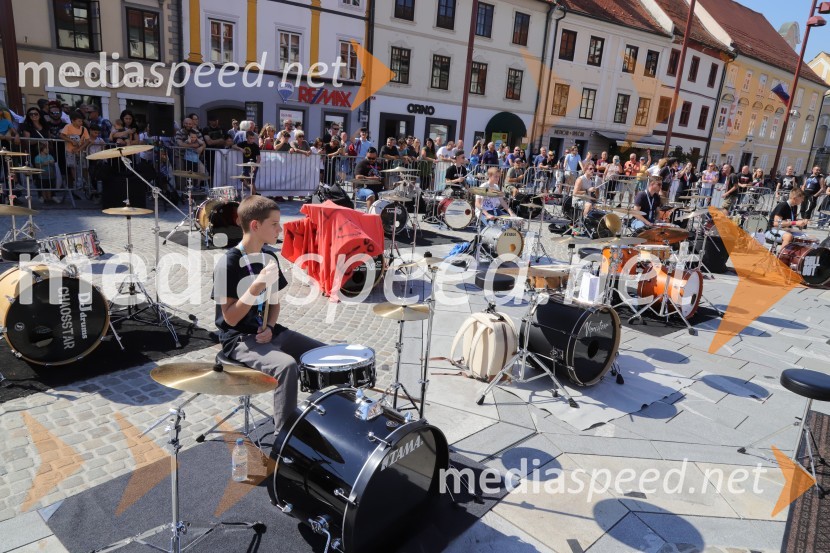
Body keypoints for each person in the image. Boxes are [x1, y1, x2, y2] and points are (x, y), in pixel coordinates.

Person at [213, 196, 325, 432]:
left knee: (323, 355)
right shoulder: (228, 264)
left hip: (268, 332)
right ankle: (283, 439)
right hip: (239, 338)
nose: (280, 229)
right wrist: (256, 286)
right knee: (286, 366)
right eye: (274, 224)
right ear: (255, 225)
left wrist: (271, 326)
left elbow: (274, 304)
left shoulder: (269, 258)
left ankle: (326, 419)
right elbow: (230, 319)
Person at [233, 131, 261, 196]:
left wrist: (255, 166)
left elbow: (259, 158)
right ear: (247, 138)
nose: (252, 140)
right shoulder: (243, 143)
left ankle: (254, 194)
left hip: (253, 165)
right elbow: (233, 146)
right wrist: (240, 149)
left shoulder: (255, 146)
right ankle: (255, 193)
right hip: (246, 165)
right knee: (244, 179)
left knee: (251, 182)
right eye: (250, 138)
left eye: (253, 138)